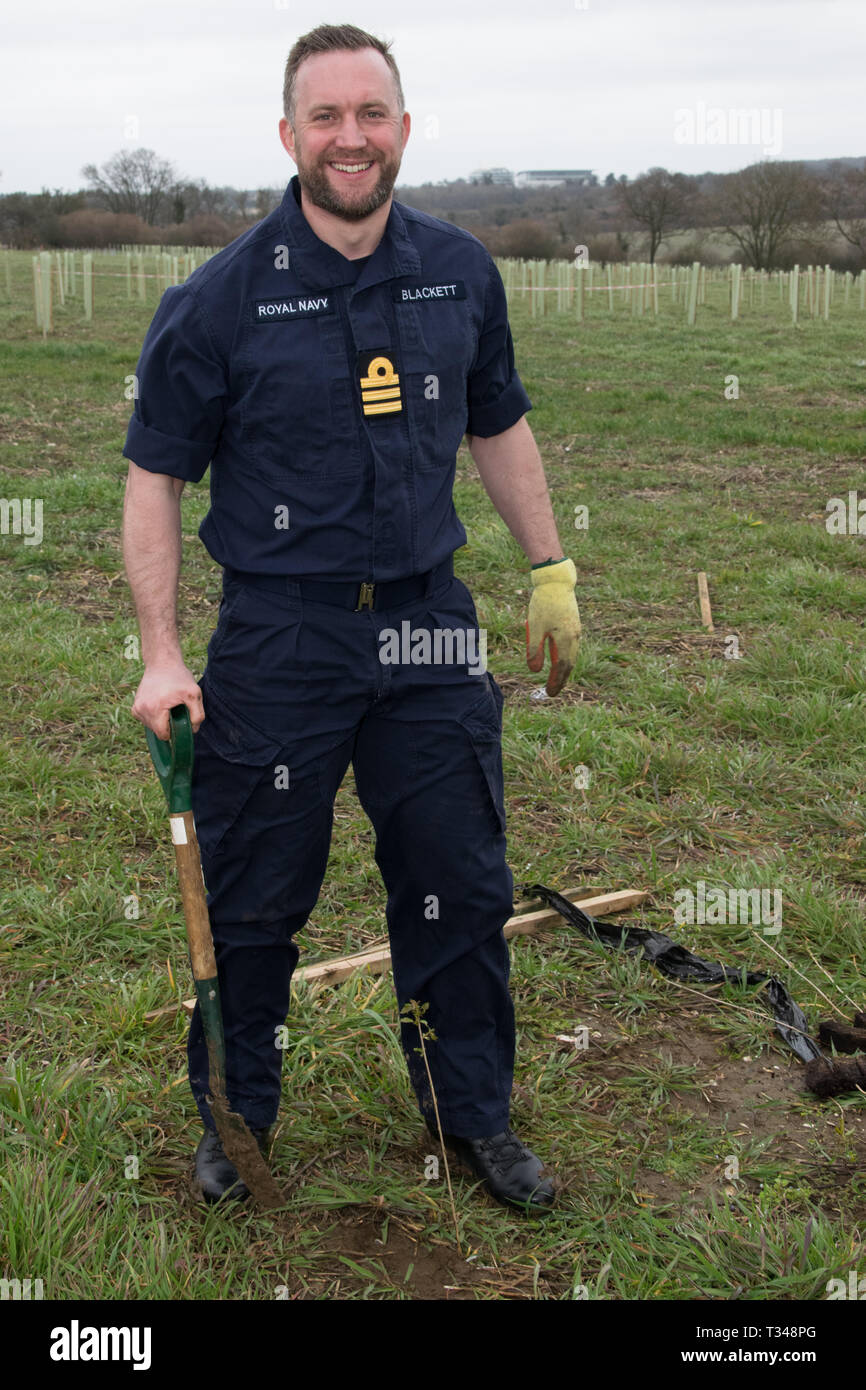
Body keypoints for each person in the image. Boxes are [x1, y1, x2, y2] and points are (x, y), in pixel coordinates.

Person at [122, 22, 581, 1216]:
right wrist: (163, 652)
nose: (350, 137)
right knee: (257, 890)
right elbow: (153, 478)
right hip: (282, 634)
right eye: (324, 117)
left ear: (403, 128)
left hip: (428, 624)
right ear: (288, 136)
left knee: (457, 878)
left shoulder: (459, 270)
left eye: (369, 114)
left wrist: (548, 565)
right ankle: (238, 1119)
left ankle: (469, 1111)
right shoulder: (216, 300)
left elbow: (497, 420)